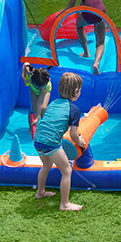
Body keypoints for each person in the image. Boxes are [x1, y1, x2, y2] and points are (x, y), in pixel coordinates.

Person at [33, 71, 86, 211]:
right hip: (50, 143)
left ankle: (40, 192)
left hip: (38, 139)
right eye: (80, 90)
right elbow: (74, 135)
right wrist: (80, 142)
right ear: (76, 91)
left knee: (46, 165)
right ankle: (65, 204)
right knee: (67, 170)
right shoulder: (74, 109)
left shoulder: (54, 102)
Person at [65, 0, 106, 74]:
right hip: (101, 13)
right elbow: (93, 1)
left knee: (79, 25)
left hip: (89, 15)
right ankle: (96, 63)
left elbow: (70, 7)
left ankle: (86, 52)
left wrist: (60, 15)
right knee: (100, 42)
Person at [21, 62, 51, 137]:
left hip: (46, 91)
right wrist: (24, 76)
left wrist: (37, 118)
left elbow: (40, 102)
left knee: (43, 107)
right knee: (33, 109)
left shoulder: (44, 87)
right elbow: (25, 64)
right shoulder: (31, 74)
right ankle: (31, 129)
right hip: (33, 90)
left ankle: (44, 127)